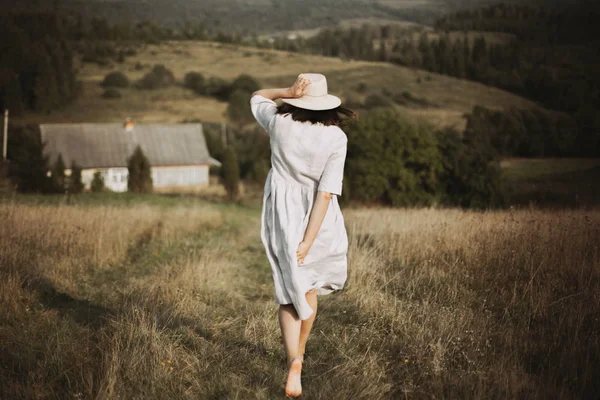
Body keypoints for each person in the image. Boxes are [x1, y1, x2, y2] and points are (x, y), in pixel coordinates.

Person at [250, 73, 357, 398]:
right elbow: (326, 193)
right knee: (309, 285)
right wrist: (309, 240)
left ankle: (293, 359)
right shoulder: (336, 138)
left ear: (298, 101)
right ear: (327, 106)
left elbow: (256, 97)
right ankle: (301, 356)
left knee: (288, 290)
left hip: (283, 215)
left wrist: (285, 91)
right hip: (318, 218)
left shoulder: (280, 123)